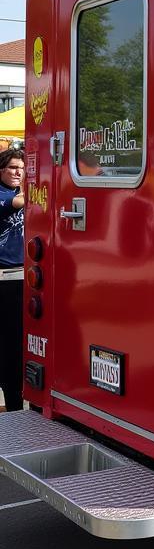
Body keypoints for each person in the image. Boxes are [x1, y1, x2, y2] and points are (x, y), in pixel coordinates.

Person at [0, 148, 26, 413]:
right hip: (5, 282)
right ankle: (14, 407)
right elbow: (17, 204)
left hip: (25, 279)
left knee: (22, 346)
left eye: (22, 167)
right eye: (12, 168)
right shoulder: (5, 196)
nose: (18, 172)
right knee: (9, 347)